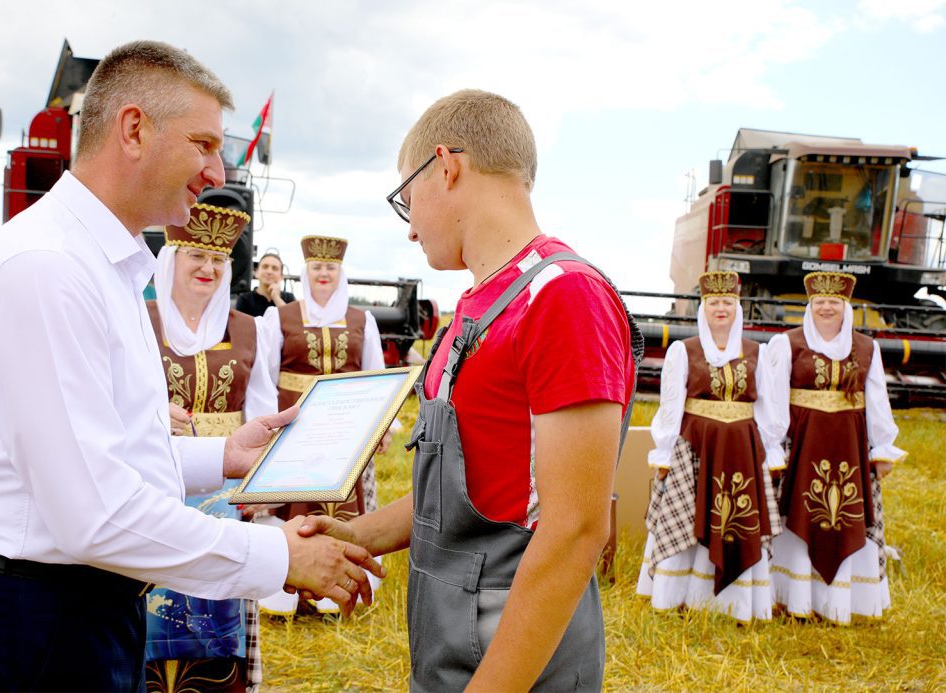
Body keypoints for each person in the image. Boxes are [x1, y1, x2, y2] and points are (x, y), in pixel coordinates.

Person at [0, 40, 381, 691]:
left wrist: (222, 455)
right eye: (202, 144)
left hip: (74, 611)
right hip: (25, 626)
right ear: (133, 129)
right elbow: (93, 512)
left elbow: (111, 450)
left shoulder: (104, 268)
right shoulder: (46, 269)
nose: (215, 169)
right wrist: (279, 553)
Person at [297, 89, 641, 691]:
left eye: (406, 198)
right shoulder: (474, 306)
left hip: (517, 651)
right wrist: (353, 536)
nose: (408, 231)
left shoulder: (563, 297)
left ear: (446, 166)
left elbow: (576, 529)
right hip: (451, 637)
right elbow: (465, 496)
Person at [143, 203, 275, 691]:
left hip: (224, 498)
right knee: (151, 622)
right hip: (151, 491)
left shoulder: (248, 329)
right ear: (170, 258)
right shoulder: (138, 320)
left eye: (219, 260)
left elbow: (260, 416)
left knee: (216, 628)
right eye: (196, 254)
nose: (208, 268)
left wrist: (257, 496)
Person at [253, 235, 388, 616]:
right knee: (294, 502)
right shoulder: (279, 317)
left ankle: (339, 591)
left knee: (342, 503)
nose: (323, 273)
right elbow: (264, 374)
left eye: (330, 267)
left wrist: (381, 427)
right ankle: (283, 592)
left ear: (339, 273)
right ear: (305, 272)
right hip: (295, 425)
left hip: (347, 428)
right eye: (317, 267)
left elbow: (375, 374)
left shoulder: (363, 320)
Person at [760, 271, 905, 625]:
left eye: (834, 302)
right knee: (800, 516)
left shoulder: (866, 348)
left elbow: (877, 401)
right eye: (820, 302)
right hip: (802, 450)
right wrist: (773, 449)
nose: (826, 308)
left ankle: (840, 602)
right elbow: (774, 400)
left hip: (850, 452)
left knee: (846, 518)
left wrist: (882, 447)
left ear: (846, 306)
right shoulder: (787, 344)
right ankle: (794, 599)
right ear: (810, 305)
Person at [635, 271, 780, 622]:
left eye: (727, 302)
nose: (721, 308)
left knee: (737, 519)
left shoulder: (756, 353)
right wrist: (664, 452)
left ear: (737, 307)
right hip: (694, 448)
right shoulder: (683, 352)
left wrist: (771, 452)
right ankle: (678, 595)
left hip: (743, 451)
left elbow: (767, 407)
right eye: (714, 302)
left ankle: (734, 603)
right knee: (688, 516)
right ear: (703, 307)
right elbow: (671, 406)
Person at [235, 250, 295, 317]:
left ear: (281, 276)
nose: (269, 271)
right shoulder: (245, 299)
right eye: (265, 267)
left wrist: (276, 298)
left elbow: (294, 323)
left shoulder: (289, 298)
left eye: (274, 268)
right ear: (256, 272)